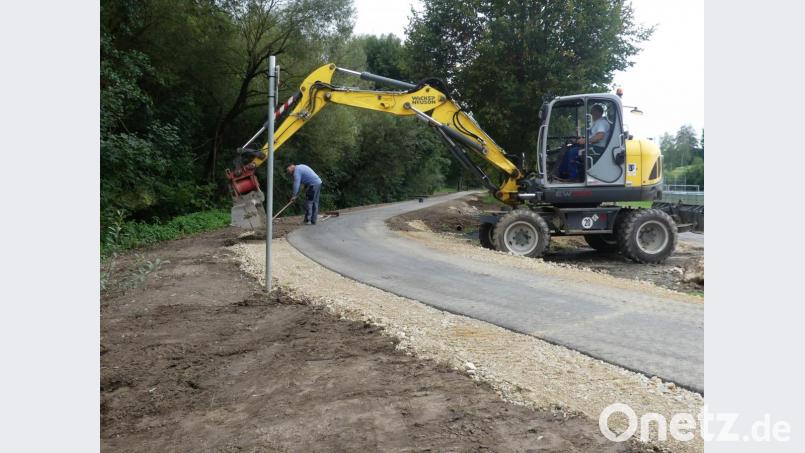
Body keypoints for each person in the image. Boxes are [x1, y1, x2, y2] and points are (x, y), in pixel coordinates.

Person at [556, 104, 611, 181]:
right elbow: (592, 136)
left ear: (598, 112)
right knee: (569, 149)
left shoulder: (601, 123)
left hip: (598, 149)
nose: (591, 113)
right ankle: (563, 173)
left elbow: (599, 136)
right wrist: (581, 139)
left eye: (593, 111)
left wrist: (585, 141)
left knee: (573, 152)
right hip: (593, 146)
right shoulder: (597, 122)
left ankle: (573, 177)